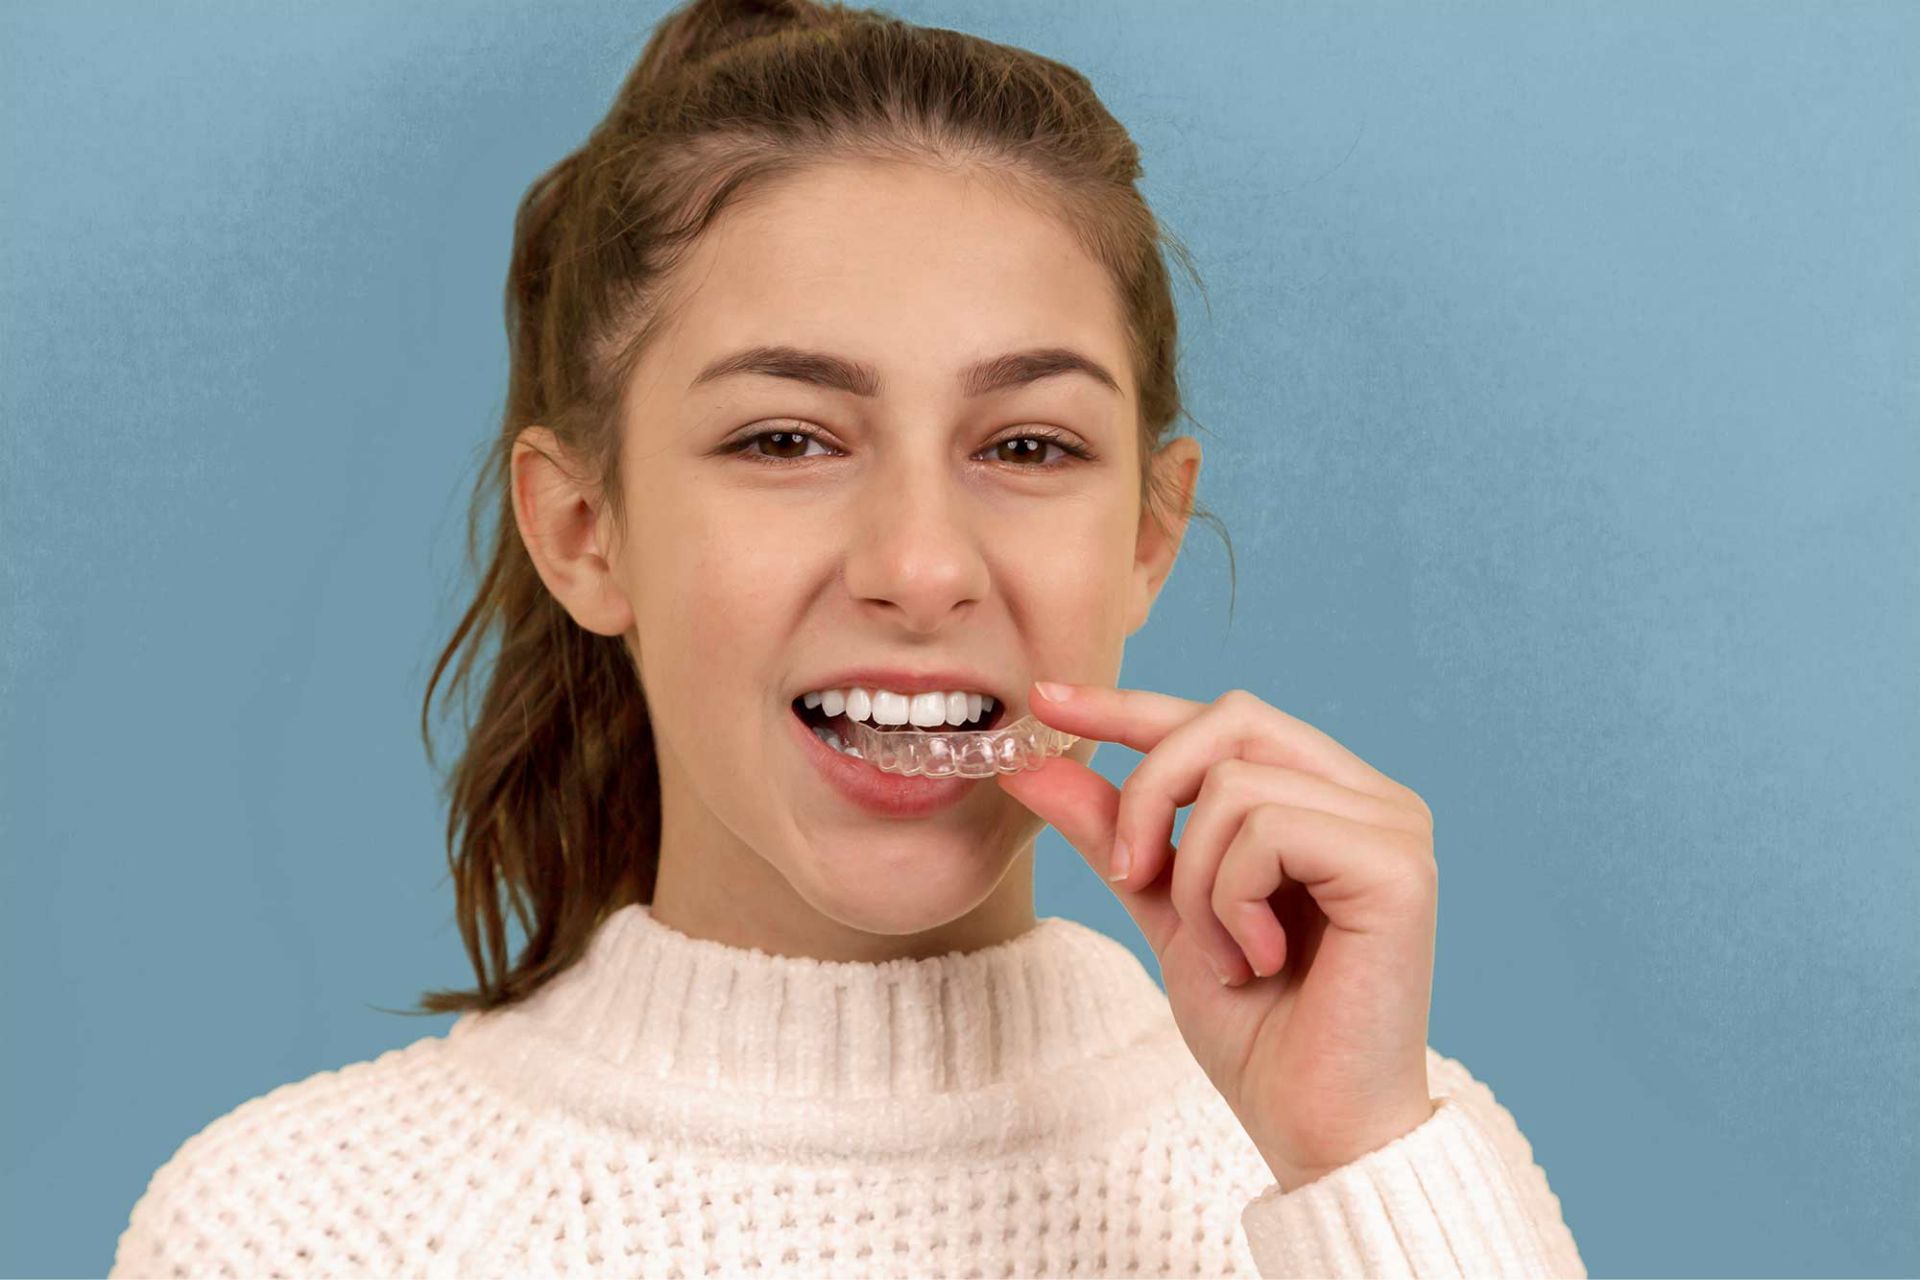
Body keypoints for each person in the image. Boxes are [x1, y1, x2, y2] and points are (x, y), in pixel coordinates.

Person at [111, 1, 1586, 1275]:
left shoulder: (1392, 1171)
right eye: (786, 437)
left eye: (1024, 447)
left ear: (1152, 530)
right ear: (582, 531)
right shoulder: (298, 1235)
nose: (922, 565)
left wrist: (1354, 1165)